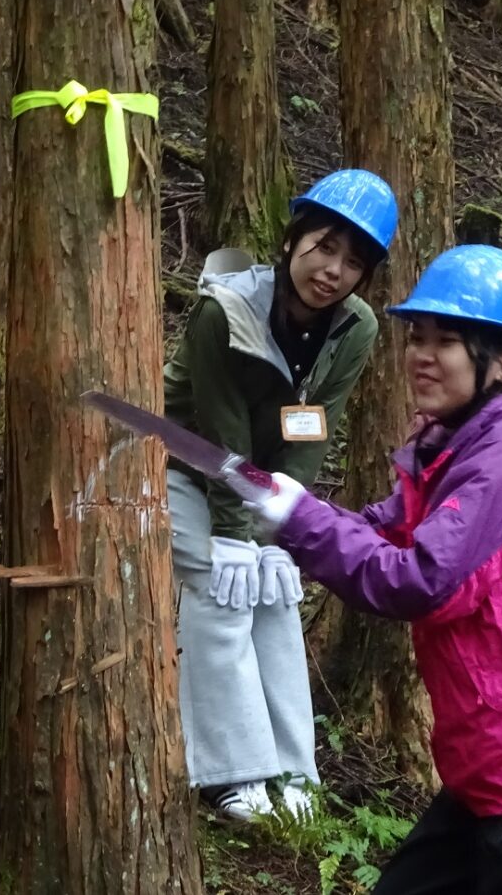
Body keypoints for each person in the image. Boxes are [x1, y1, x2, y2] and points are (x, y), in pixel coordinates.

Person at [245, 245, 502, 893]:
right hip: (487, 773)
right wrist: (296, 516)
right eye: (418, 338)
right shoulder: (451, 443)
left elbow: (424, 581)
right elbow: (387, 526)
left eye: (447, 341)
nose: (422, 355)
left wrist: (303, 523)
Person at [162, 168, 397, 821]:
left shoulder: (355, 329)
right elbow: (220, 425)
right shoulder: (225, 309)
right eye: (324, 247)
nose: (333, 271)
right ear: (292, 240)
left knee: (275, 592)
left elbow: (313, 425)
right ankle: (229, 771)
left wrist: (284, 525)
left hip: (258, 479)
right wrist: (235, 533)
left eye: (354, 262)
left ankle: (294, 772)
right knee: (220, 581)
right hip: (178, 462)